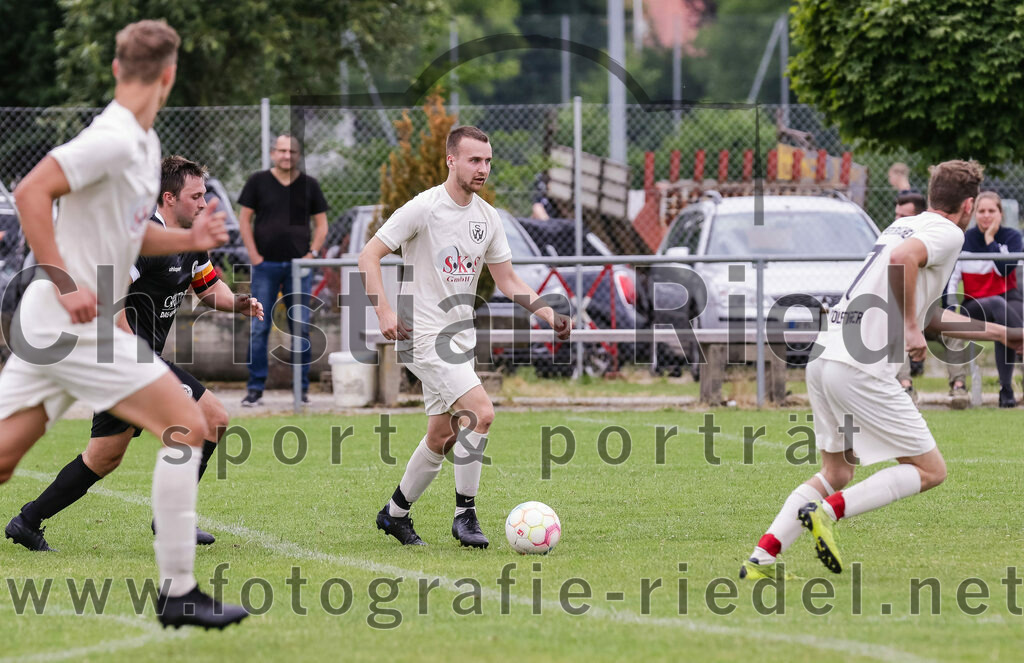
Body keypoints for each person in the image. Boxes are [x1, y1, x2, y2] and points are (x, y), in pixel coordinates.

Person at [0, 20, 248, 629]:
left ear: (116, 68)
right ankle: (178, 590)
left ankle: (177, 589)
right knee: (189, 423)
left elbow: (128, 231)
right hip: (70, 320)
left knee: (6, 459)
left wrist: (190, 238)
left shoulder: (144, 145)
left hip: (69, 326)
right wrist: (64, 280)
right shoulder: (114, 138)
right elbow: (31, 192)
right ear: (169, 76)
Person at [739, 160, 1023, 580]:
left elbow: (929, 315)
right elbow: (904, 266)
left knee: (837, 471)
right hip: (858, 364)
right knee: (930, 470)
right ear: (968, 205)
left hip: (825, 355)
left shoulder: (903, 227)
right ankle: (826, 513)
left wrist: (1004, 334)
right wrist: (909, 329)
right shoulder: (945, 233)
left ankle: (762, 559)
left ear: (930, 197)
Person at [5, 155, 263, 552]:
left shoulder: (187, 241)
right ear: (168, 198)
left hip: (135, 363)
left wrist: (239, 302)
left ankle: (28, 521)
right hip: (125, 360)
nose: (202, 203)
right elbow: (110, 296)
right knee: (212, 418)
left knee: (103, 457)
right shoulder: (146, 240)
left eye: (203, 195)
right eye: (195, 196)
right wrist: (135, 357)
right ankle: (172, 523)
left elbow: (208, 289)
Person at [359, 126, 571, 548]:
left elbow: (507, 280)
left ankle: (394, 514)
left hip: (458, 338)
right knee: (480, 412)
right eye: (474, 160)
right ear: (451, 160)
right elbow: (370, 254)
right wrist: (383, 309)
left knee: (443, 435)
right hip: (421, 334)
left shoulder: (487, 217)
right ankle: (465, 515)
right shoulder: (424, 208)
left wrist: (547, 312)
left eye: (488, 161)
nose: (483, 169)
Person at [237, 134, 328, 406]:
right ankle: (254, 390)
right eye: (282, 151)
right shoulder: (257, 182)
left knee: (299, 328)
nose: (287, 156)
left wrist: (311, 254)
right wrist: (254, 256)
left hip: (299, 268)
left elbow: (322, 225)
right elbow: (244, 220)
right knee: (258, 327)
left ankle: (301, 391)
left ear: (298, 155)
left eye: (292, 151)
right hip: (265, 267)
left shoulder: (310, 185)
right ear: (273, 152)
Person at [892, 192, 970, 409]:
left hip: (929, 316)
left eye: (904, 216)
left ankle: (959, 388)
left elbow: (948, 291)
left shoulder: (937, 245)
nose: (898, 221)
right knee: (897, 328)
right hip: (903, 318)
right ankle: (905, 388)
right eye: (896, 215)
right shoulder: (892, 244)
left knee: (954, 330)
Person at [947, 191, 1023, 407]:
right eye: (981, 211)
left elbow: (1002, 270)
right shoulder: (964, 240)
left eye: (992, 211)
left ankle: (1006, 390)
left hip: (1008, 299)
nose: (986, 215)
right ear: (974, 214)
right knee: (1002, 308)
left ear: (1001, 213)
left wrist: (991, 240)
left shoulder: (1012, 237)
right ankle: (1021, 346)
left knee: (1006, 318)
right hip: (974, 304)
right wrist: (951, 308)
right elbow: (952, 279)